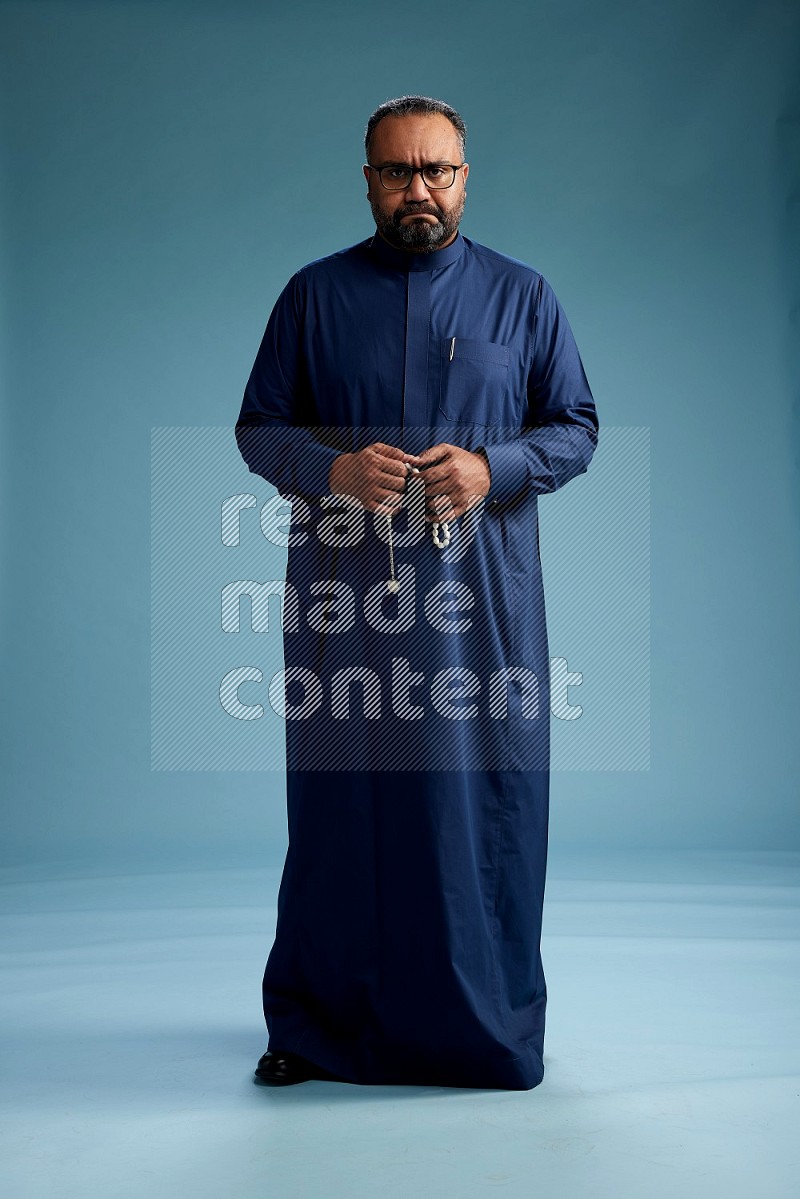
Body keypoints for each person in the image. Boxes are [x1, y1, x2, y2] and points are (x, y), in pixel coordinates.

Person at [235, 95, 598, 1090]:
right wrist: (327, 471)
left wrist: (496, 468)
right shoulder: (314, 297)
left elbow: (574, 425)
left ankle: (485, 1028)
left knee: (484, 804)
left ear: (465, 178)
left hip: (481, 605)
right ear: (367, 180)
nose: (418, 190)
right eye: (397, 172)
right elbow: (259, 425)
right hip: (346, 604)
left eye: (436, 169)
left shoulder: (522, 297)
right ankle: (316, 1027)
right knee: (342, 808)